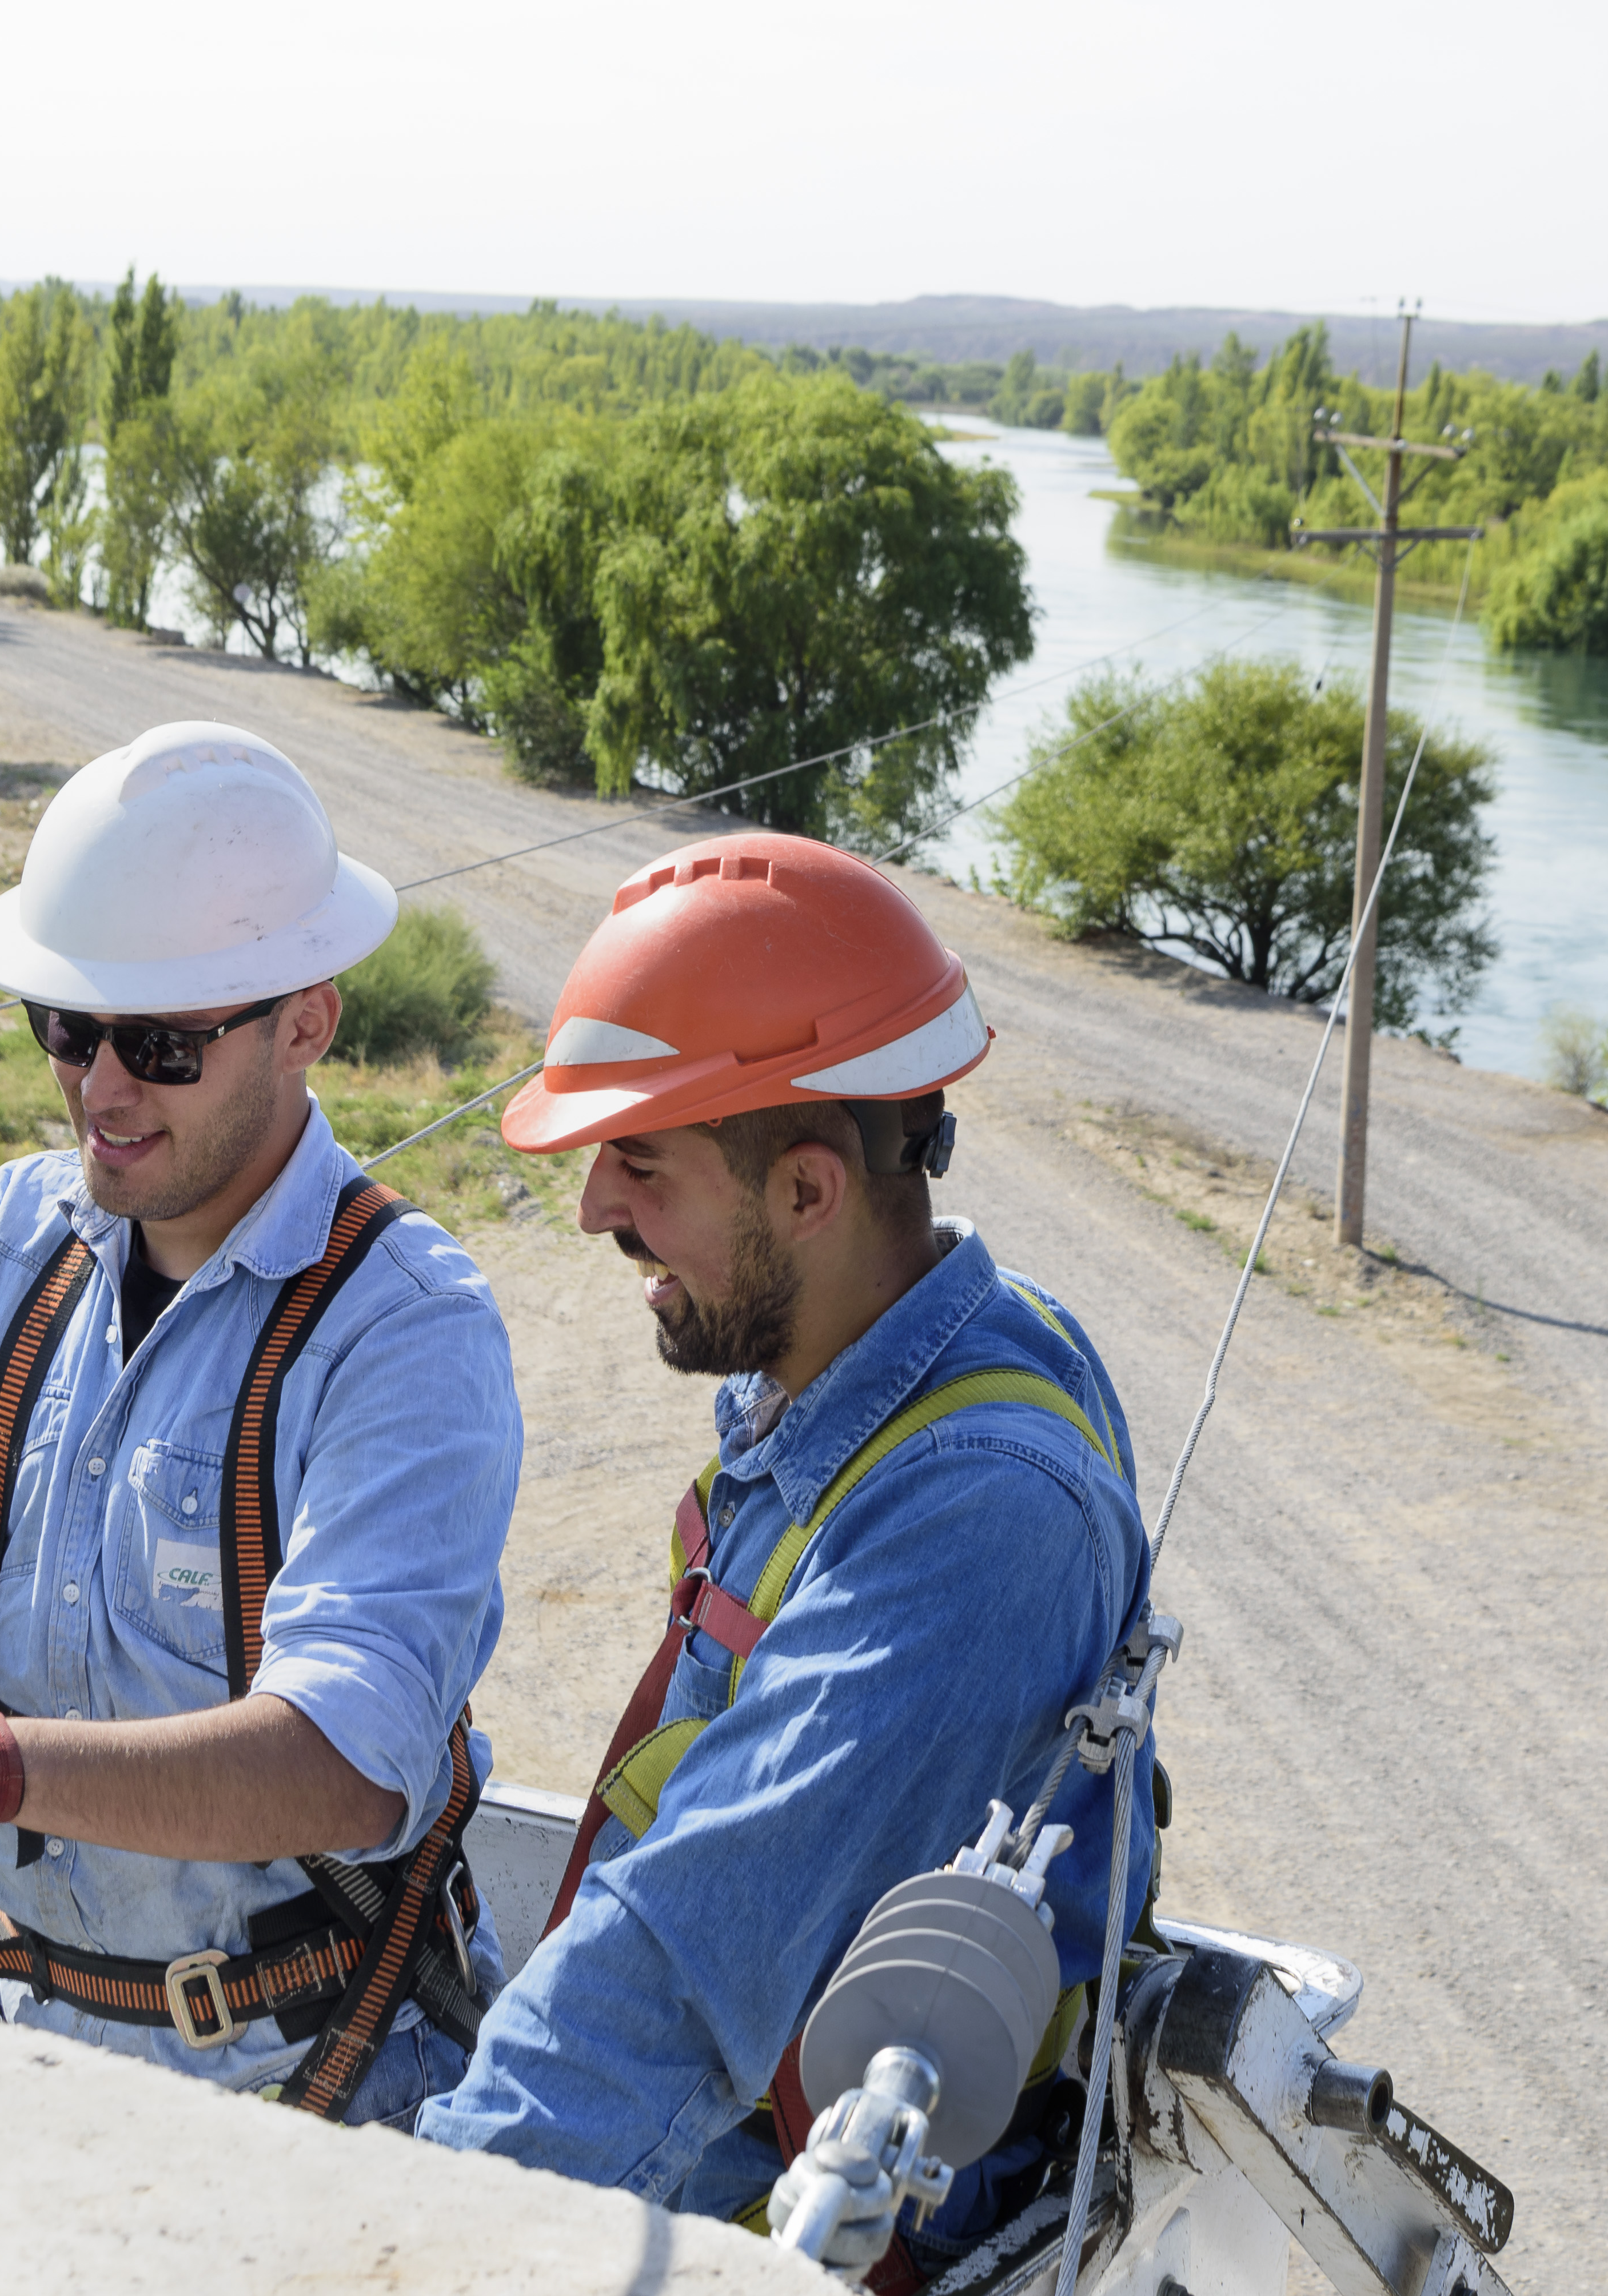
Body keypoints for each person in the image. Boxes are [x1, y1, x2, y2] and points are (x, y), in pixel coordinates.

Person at [413, 832, 1155, 2258]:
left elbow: (684, 1967)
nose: (596, 1212)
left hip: (773, 2221)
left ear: (809, 1193)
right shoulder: (881, 1348)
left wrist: (428, 2228)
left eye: (640, 1167)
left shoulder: (978, 1517)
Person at [0, 720, 521, 2127]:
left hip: (302, 2081)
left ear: (306, 1018)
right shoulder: (16, 1237)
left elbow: (333, 1762)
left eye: (162, 1044)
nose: (99, 1090)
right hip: (23, 2035)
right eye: (65, 1030)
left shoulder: (404, 1329)